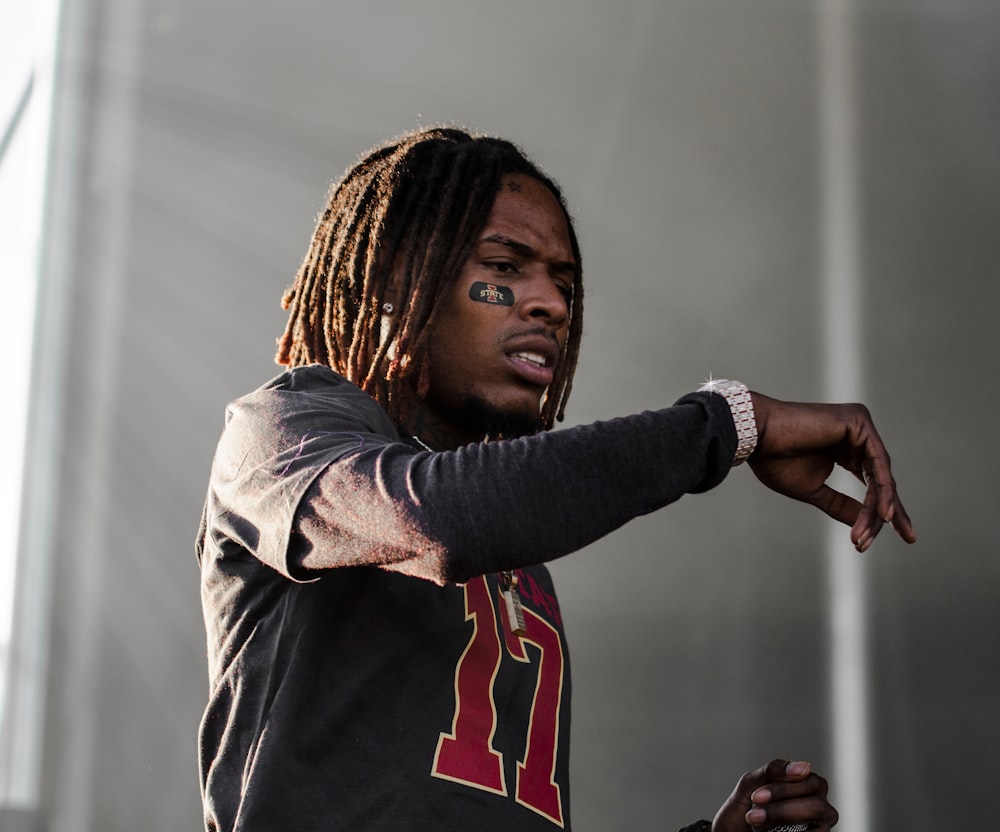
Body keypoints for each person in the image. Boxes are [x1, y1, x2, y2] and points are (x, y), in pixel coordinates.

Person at [196, 127, 914, 832]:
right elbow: (438, 520)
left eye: (563, 284)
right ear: (396, 279)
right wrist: (727, 423)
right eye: (505, 269)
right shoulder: (283, 431)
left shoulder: (514, 545)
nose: (552, 304)